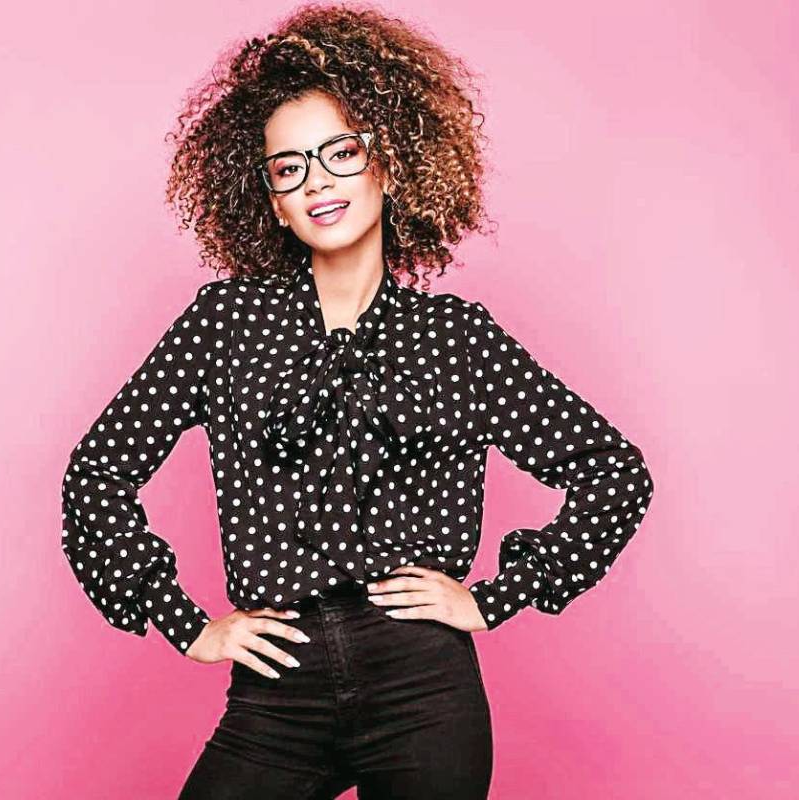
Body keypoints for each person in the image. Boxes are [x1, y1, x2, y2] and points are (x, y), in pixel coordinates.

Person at [60, 4, 655, 798]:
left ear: (390, 163)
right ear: (272, 201)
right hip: (276, 692)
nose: (317, 182)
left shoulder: (456, 337)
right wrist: (185, 623)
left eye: (341, 152)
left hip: (424, 692)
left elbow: (613, 473)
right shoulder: (225, 324)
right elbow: (97, 473)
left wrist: (495, 599)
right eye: (288, 168)